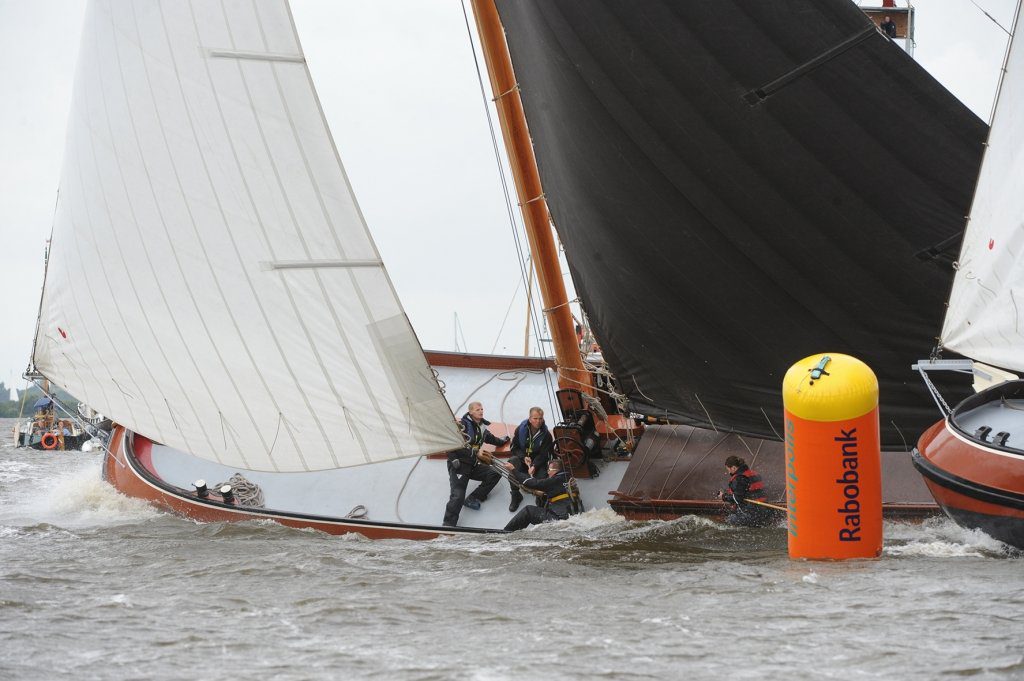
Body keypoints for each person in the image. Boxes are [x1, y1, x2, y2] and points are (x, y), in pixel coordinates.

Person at [442, 402, 510, 527]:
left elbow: (492, 439)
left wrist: (503, 440)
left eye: (482, 409)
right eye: (478, 409)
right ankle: (448, 526)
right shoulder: (462, 426)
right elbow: (451, 442)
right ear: (471, 412)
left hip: (472, 464)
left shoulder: (482, 427)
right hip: (460, 465)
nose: (481, 411)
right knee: (457, 496)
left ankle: (473, 498)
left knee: (495, 473)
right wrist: (453, 459)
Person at [502, 458, 579, 532]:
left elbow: (530, 483)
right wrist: (541, 494)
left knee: (528, 511)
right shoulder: (568, 479)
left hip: (559, 519)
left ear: (556, 470)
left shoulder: (555, 480)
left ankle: (507, 531)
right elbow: (559, 493)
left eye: (549, 470)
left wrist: (513, 469)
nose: (548, 472)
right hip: (572, 518)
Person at [507, 407, 554, 512]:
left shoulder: (546, 435)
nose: (538, 421)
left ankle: (540, 499)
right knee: (512, 462)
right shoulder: (520, 429)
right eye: (535, 418)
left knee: (542, 478)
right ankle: (516, 494)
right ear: (530, 419)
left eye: (540, 419)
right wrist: (523, 457)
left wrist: (534, 465)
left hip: (538, 462)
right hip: (523, 459)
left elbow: (544, 455)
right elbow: (514, 447)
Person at [716, 455, 773, 527]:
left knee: (729, 520)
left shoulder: (740, 478)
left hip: (753, 515)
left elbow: (737, 499)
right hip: (765, 512)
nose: (728, 472)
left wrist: (723, 496)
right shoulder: (755, 474)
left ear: (733, 467)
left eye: (728, 469)